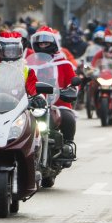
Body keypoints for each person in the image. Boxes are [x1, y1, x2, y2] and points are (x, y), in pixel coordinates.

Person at [30, 27, 77, 159]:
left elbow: (72, 82)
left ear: (54, 43)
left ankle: (68, 145)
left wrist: (70, 90)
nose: (43, 45)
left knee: (68, 119)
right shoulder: (29, 64)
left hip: (58, 103)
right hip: (34, 104)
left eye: (46, 43)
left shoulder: (64, 63)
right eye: (40, 43)